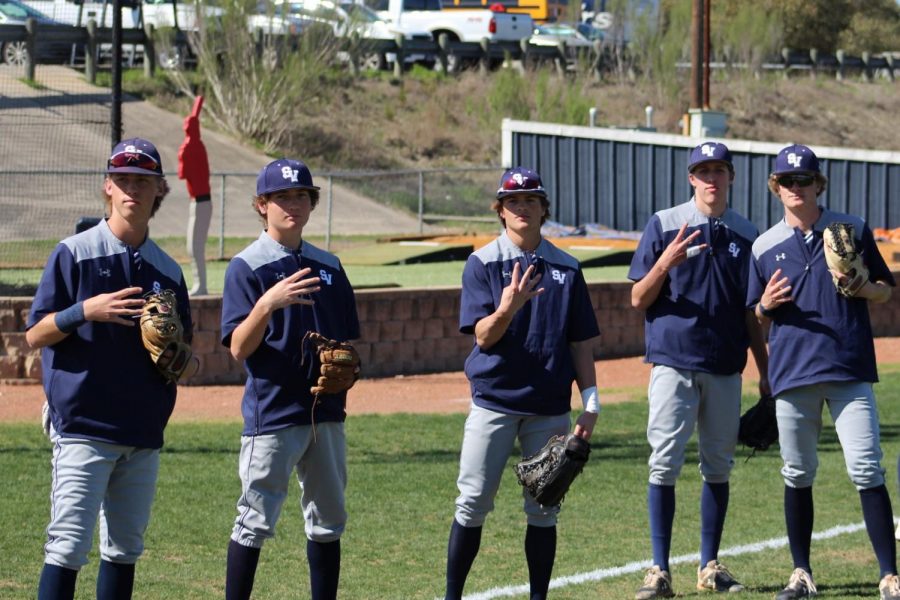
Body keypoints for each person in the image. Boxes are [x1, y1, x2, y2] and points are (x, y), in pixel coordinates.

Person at [26, 138, 192, 600]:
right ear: (108, 187)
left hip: (142, 432)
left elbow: (185, 355)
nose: (132, 189)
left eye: (142, 181)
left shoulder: (169, 271)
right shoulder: (74, 253)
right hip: (84, 427)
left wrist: (183, 360)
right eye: (123, 179)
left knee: (124, 550)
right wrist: (85, 310)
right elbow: (35, 334)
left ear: (159, 189)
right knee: (68, 548)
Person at [748, 144, 900, 600]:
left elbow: (886, 290)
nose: (796, 187)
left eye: (804, 179)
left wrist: (863, 287)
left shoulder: (850, 228)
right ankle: (801, 573)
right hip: (793, 372)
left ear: (819, 184)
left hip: (849, 367)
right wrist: (765, 305)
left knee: (866, 468)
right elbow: (755, 314)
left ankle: (889, 575)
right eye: (787, 180)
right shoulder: (764, 245)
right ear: (776, 188)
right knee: (797, 472)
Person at [444, 166, 601, 600]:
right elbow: (482, 336)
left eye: (531, 200)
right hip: (494, 401)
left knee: (544, 508)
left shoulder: (567, 268)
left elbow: (580, 343)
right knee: (472, 504)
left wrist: (591, 403)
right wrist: (507, 308)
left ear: (543, 208)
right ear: (500, 210)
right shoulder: (483, 263)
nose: (522, 207)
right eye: (513, 201)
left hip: (549, 405)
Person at [627, 142, 769, 598]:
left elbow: (750, 314)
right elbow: (638, 298)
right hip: (674, 361)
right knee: (664, 462)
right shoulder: (665, 223)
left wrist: (765, 372)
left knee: (718, 466)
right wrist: (664, 263)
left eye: (718, 170)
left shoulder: (747, 234)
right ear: (691, 178)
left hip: (725, 365)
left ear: (730, 176)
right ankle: (659, 570)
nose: (711, 179)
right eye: (703, 171)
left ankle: (709, 565)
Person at [220, 158, 360, 600]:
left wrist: (349, 369)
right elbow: (238, 348)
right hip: (274, 412)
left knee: (328, 522)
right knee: (254, 521)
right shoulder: (246, 266)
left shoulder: (329, 266)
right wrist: (267, 304)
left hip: (326, 413)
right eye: (281, 197)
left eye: (301, 195)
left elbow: (347, 342)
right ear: (262, 205)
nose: (293, 204)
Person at [178, 95, 212, 296]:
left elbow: (182, 173)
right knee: (194, 246)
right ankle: (200, 285)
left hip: (201, 202)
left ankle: (201, 285)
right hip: (201, 201)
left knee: (194, 246)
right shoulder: (199, 146)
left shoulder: (190, 147)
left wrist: (184, 151)